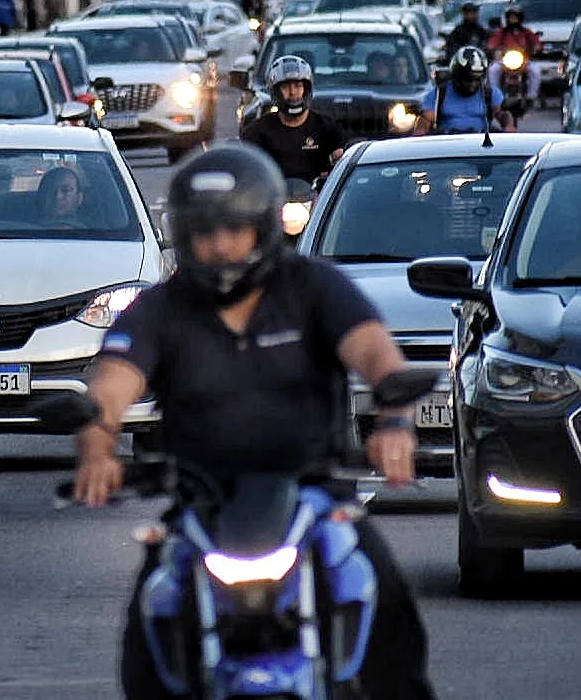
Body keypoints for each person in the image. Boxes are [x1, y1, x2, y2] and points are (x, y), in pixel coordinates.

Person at [71, 144, 436, 700]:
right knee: (152, 619)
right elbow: (111, 384)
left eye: (233, 229)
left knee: (380, 598)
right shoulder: (160, 308)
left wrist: (393, 424)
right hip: (202, 504)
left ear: (262, 228)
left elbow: (377, 356)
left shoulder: (313, 287)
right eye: (205, 232)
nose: (219, 245)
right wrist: (98, 450)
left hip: (313, 495)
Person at [239, 55, 346, 185]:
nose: (292, 92)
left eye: (298, 86)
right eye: (285, 87)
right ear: (275, 92)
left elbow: (342, 172)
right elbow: (245, 173)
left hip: (317, 201)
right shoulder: (256, 133)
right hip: (273, 200)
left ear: (307, 89)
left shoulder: (328, 130)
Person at [411, 46, 514, 136]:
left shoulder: (490, 93)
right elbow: (426, 119)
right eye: (468, 80)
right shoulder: (438, 94)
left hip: (481, 144)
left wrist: (508, 126)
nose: (472, 84)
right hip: (447, 144)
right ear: (456, 76)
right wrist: (420, 131)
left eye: (477, 80)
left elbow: (502, 113)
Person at [486, 4, 544, 100]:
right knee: (493, 70)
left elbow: (536, 42)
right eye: (511, 17)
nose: (513, 20)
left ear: (520, 18)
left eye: (515, 17)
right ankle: (495, 95)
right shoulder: (502, 32)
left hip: (524, 62)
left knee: (536, 71)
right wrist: (492, 47)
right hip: (504, 61)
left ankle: (531, 96)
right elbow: (492, 42)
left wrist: (537, 47)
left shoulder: (526, 32)